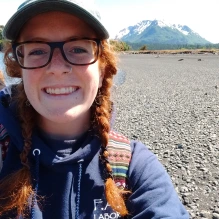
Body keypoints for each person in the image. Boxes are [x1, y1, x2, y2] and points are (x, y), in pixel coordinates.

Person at [0, 0, 189, 218]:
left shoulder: (133, 166)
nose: (58, 68)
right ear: (19, 69)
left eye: (78, 48)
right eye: (38, 50)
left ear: (102, 70)